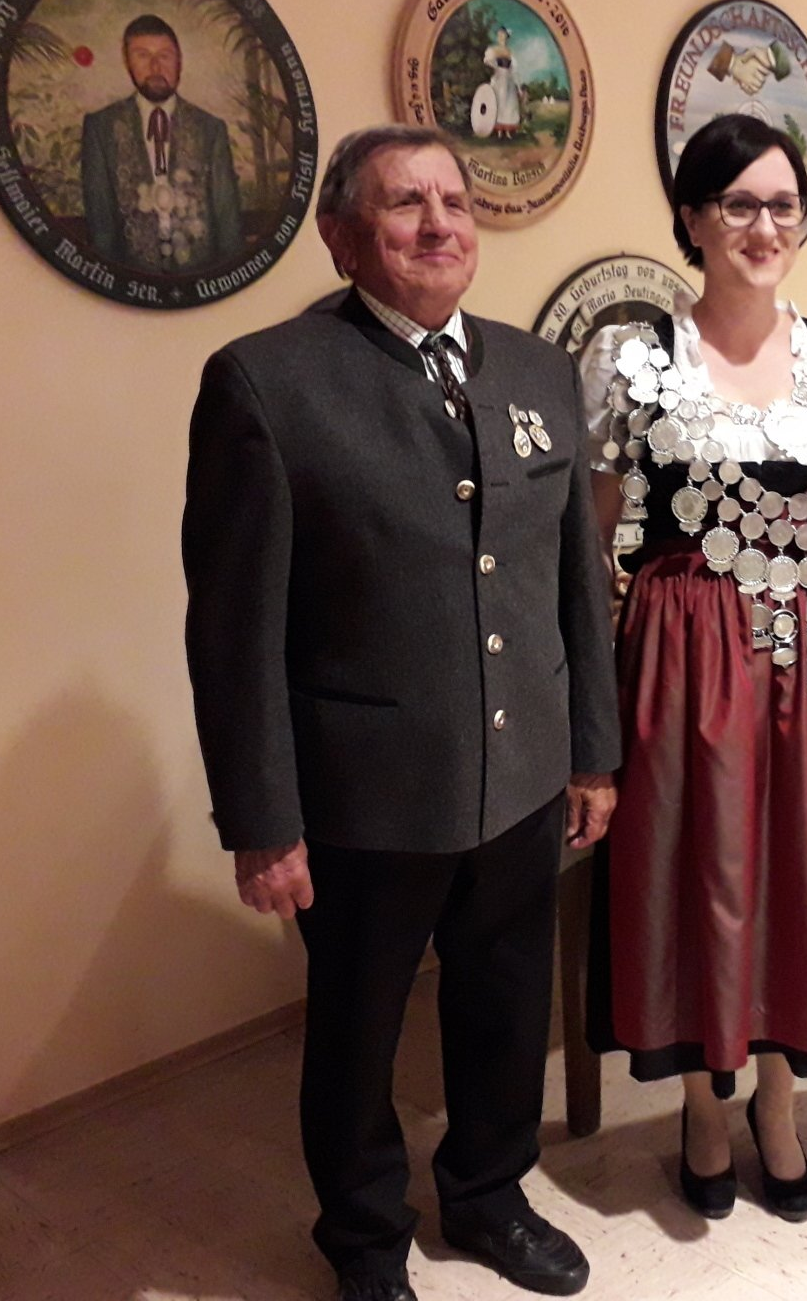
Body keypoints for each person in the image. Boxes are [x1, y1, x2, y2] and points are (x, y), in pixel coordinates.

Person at [182, 124, 620, 1301]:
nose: (438, 224)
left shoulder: (537, 370)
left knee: (505, 1002)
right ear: (341, 236)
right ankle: (366, 1239)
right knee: (358, 1029)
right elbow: (233, 632)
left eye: (455, 201)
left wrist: (592, 752)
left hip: (523, 773)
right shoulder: (267, 382)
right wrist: (262, 822)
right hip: (365, 794)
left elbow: (574, 582)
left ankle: (489, 1192)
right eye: (404, 204)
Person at [579, 113, 807, 1223]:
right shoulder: (636, 364)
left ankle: (777, 1095)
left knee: (800, 880)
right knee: (702, 876)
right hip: (686, 663)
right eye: (739, 204)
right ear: (693, 219)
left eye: (782, 205)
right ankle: (702, 1102)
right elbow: (596, 532)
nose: (764, 227)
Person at [80, 13, 241, 271]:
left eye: (165, 56)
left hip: (202, 280)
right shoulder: (100, 128)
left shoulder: (211, 129)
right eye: (143, 55)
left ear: (180, 62)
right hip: (131, 282)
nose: (155, 67)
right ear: (127, 62)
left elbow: (228, 223)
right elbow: (101, 228)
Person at [483, 28, 523, 140]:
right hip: (498, 77)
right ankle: (499, 131)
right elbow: (487, 61)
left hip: (508, 79)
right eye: (500, 35)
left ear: (507, 38)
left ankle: (507, 131)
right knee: (498, 102)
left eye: (504, 36)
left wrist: (519, 87)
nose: (502, 38)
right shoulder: (494, 49)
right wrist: (495, 65)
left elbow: (514, 70)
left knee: (509, 104)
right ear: (497, 37)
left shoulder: (510, 52)